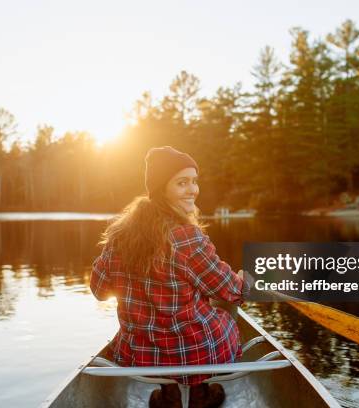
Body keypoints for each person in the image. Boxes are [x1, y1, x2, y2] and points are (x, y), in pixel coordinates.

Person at [90, 146, 252, 408]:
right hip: (194, 352)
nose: (193, 190)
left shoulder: (119, 236)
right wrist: (245, 282)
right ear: (161, 188)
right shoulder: (187, 237)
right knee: (223, 310)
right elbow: (230, 290)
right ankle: (200, 396)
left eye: (194, 181)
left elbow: (99, 290)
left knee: (165, 323)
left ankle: (169, 397)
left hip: (141, 355)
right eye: (182, 183)